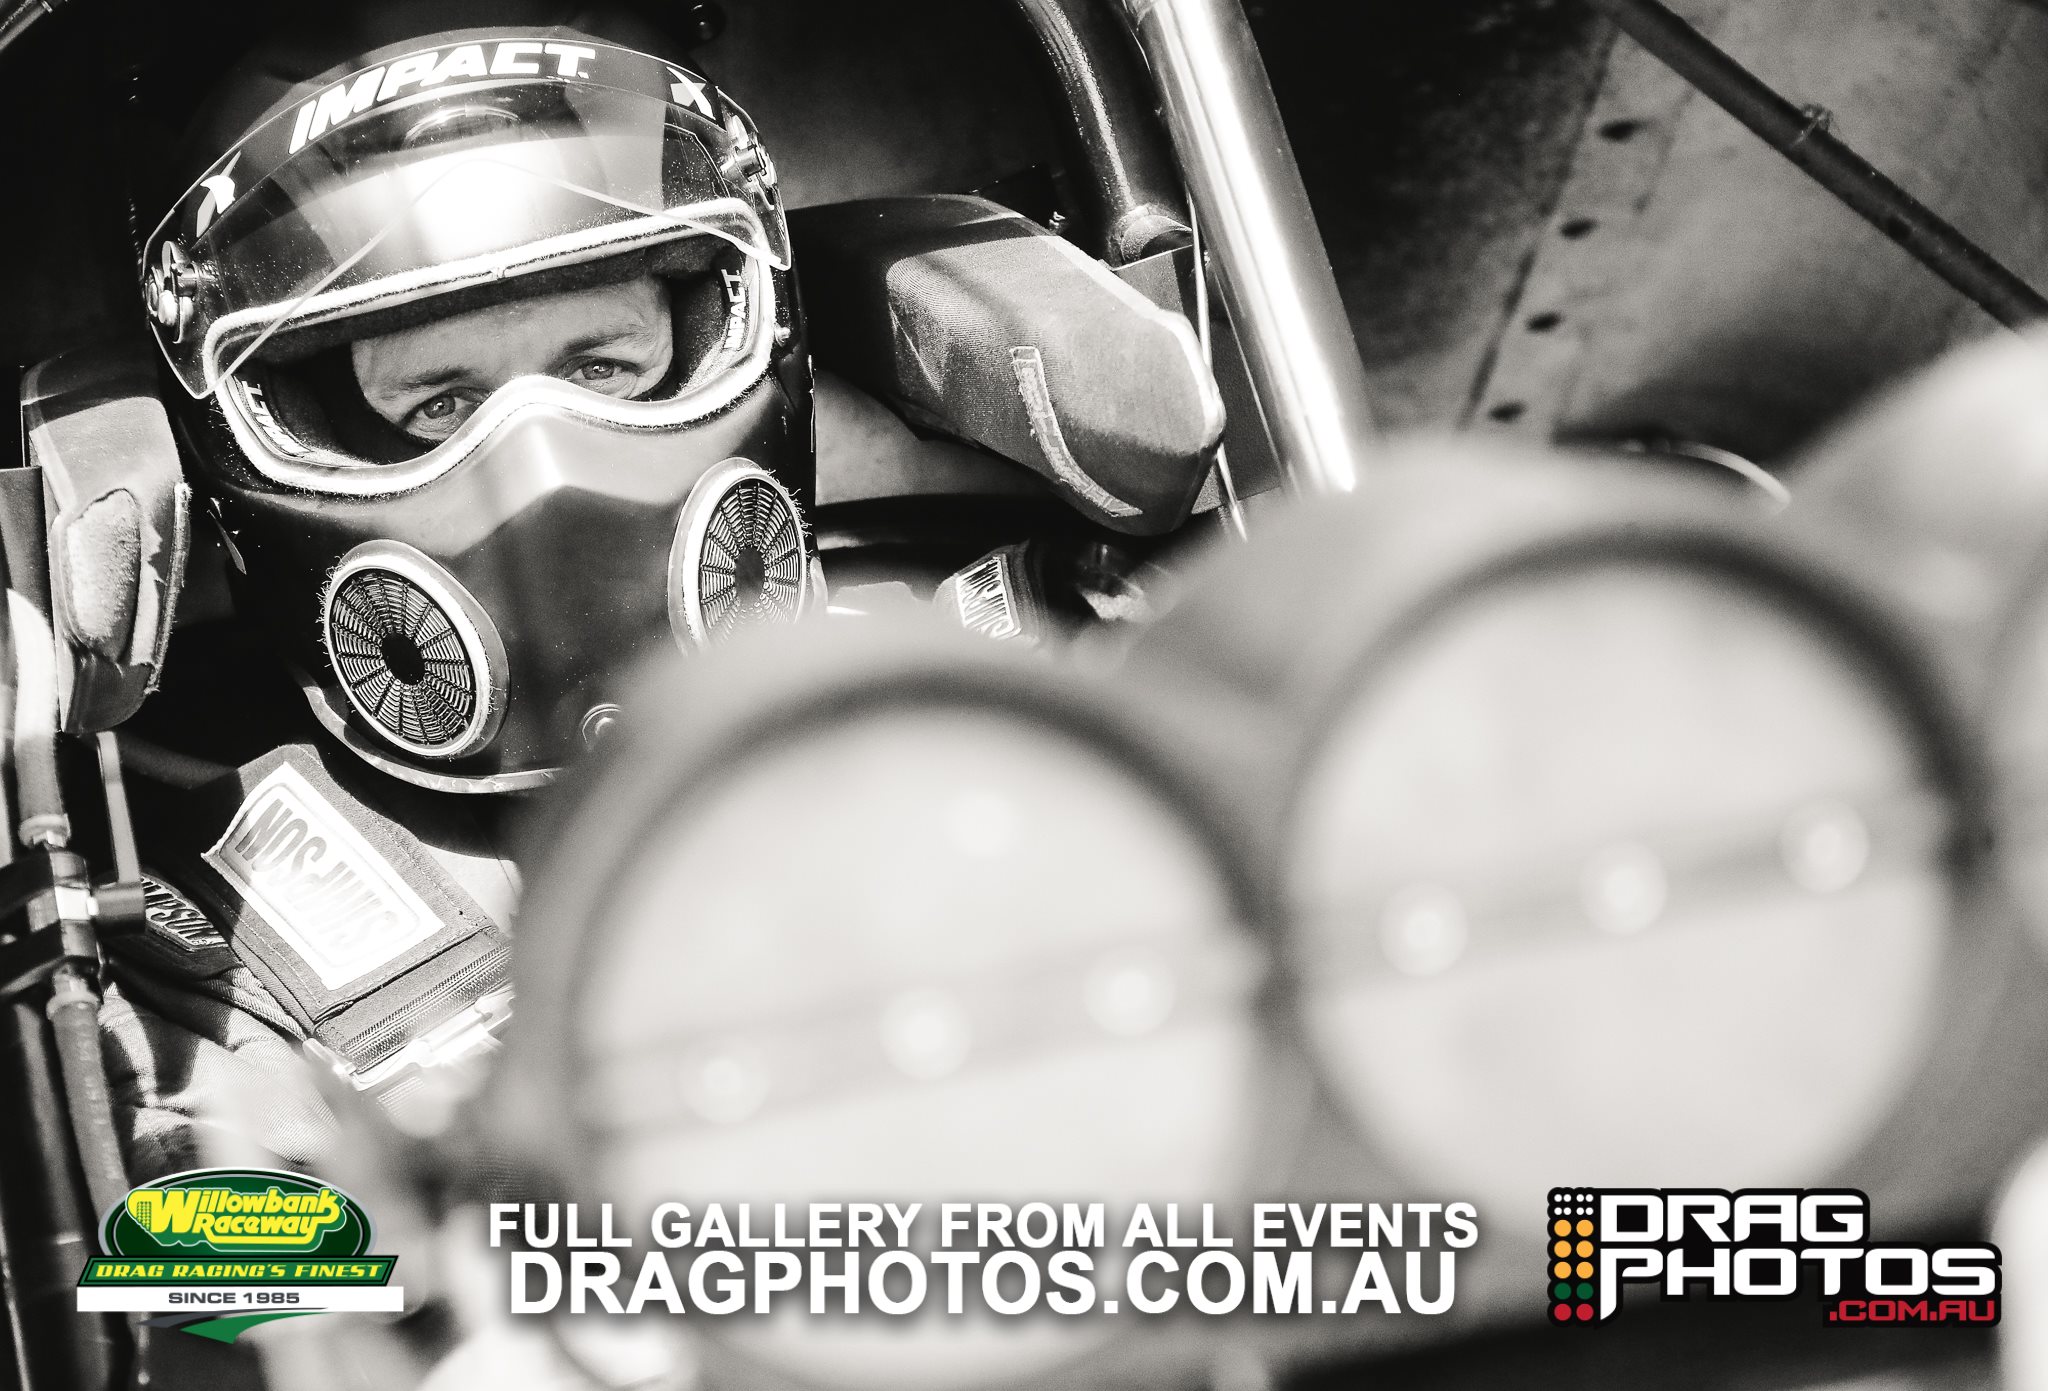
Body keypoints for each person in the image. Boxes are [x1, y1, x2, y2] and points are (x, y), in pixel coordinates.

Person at [102, 7, 819, 1176]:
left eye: (602, 363)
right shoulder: (211, 939)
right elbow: (216, 1254)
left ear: (710, 329)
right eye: (439, 401)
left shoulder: (986, 672)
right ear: (309, 419)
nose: (542, 463)